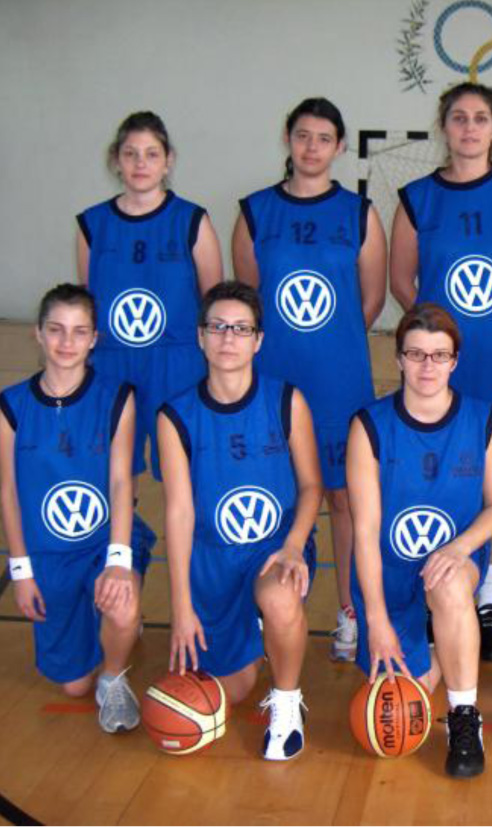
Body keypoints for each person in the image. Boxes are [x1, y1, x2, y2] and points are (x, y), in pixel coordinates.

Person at [390, 82, 492, 662]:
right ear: (444, 126)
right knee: (435, 475)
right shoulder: (417, 198)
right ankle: (434, 592)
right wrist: (435, 341)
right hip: (438, 368)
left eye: (481, 118)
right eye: (459, 117)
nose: (470, 128)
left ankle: (488, 601)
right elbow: (401, 282)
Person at [233, 97, 387, 663]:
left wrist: (330, 341)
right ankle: (268, 610)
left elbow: (371, 299)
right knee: (274, 496)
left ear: (339, 147)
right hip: (273, 382)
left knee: (344, 498)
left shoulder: (359, 213)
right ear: (288, 139)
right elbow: (248, 302)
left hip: (339, 380)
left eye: (324, 138)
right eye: (303, 135)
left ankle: (348, 611)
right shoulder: (255, 212)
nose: (312, 147)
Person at [346, 303, 492, 778]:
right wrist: (375, 619)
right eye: (416, 354)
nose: (427, 366)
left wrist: (458, 548)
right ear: (398, 358)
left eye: (439, 355)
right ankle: (444, 642)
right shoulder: (369, 426)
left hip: (452, 564)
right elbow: (364, 532)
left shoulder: (485, 419)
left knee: (449, 584)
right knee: (403, 699)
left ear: (455, 361)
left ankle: (464, 715)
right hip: (390, 572)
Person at [158, 282, 323, 761]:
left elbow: (312, 486)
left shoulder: (286, 401)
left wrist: (294, 544)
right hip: (212, 562)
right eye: (218, 327)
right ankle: (251, 631)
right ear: (200, 336)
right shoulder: (175, 416)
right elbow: (179, 512)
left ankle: (288, 704)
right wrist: (181, 607)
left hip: (275, 549)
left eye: (241, 329)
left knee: (279, 596)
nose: (228, 338)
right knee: (230, 691)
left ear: (258, 340)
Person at [0, 284, 144, 733]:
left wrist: (118, 561)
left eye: (80, 331)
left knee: (122, 604)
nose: (67, 342)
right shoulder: (11, 406)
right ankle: (101, 632)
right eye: (56, 329)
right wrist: (21, 571)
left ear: (94, 339)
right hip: (49, 552)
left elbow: (121, 481)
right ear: (38, 333)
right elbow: (8, 491)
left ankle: (114, 675)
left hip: (104, 542)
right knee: (74, 686)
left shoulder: (117, 397)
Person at [77, 111, 220, 553]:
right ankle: (123, 565)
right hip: (112, 365)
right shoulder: (91, 225)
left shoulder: (192, 220)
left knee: (185, 479)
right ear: (116, 160)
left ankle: (195, 574)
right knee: (117, 477)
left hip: (177, 365)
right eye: (131, 154)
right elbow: (87, 305)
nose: (141, 163)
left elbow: (214, 305)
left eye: (151, 154)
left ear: (168, 160)